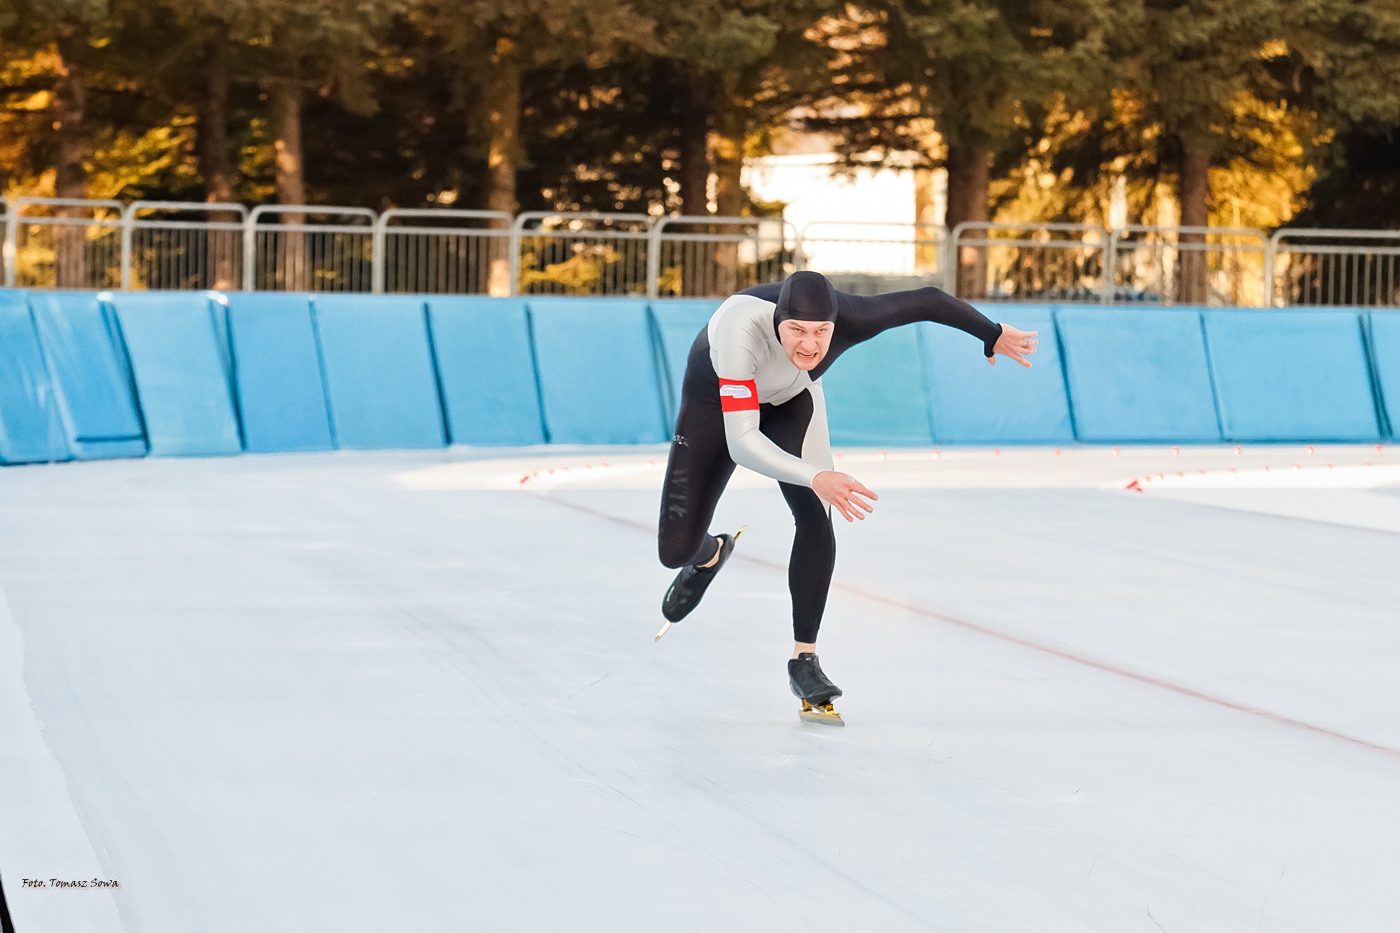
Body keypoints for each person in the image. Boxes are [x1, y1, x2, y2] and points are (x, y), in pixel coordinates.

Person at [655, 271, 1038, 723]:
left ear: (837, 324)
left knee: (816, 517)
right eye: (795, 330)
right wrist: (816, 476)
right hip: (711, 405)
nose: (809, 346)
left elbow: (929, 301)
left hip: (790, 399)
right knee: (673, 550)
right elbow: (742, 442)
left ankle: (805, 659)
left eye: (821, 332)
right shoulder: (740, 328)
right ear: (777, 320)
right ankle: (709, 555)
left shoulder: (853, 318)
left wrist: (991, 335)